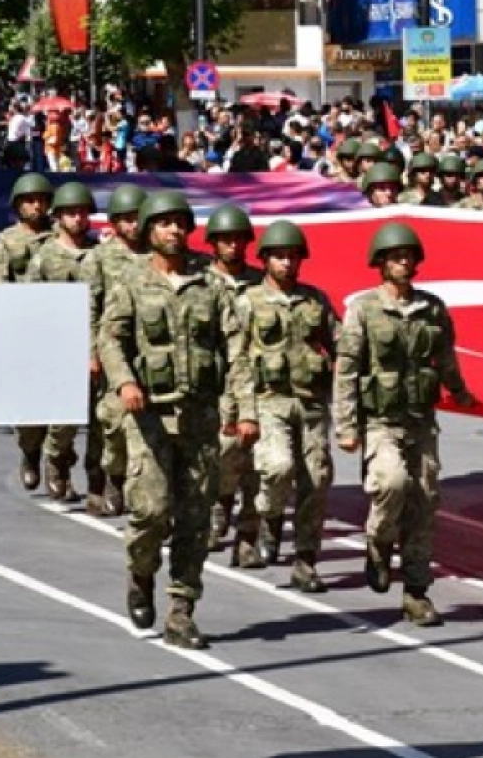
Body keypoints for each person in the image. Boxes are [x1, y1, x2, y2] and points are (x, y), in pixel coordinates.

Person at [98, 190, 236, 649]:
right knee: (151, 511)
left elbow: (234, 349)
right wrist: (124, 383)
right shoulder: (131, 281)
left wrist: (241, 409)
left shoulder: (210, 285)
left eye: (181, 222)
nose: (174, 229)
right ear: (149, 229)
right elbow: (111, 339)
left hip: (199, 418)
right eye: (164, 223)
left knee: (195, 519)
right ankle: (141, 575)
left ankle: (181, 610)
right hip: (150, 418)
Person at [335, 222, 478, 626]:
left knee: (424, 502)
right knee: (391, 484)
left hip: (420, 420)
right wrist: (346, 425)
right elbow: (347, 370)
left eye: (408, 255)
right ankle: (378, 544)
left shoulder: (432, 308)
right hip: (380, 420)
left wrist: (462, 392)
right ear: (380, 262)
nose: (403, 261)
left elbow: (446, 358)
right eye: (395, 256)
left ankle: (416, 592)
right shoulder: (363, 309)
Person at [231, 220, 342, 592]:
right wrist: (243, 410)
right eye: (279, 256)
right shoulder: (247, 302)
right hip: (269, 401)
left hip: (310, 403)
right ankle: (270, 518)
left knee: (317, 478)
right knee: (278, 467)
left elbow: (340, 343)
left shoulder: (315, 300)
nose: (286, 263)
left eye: (293, 256)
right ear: (265, 259)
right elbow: (239, 359)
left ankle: (306, 560)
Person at [27, 182, 102, 502]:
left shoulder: (100, 254)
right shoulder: (44, 256)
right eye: (71, 213)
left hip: (99, 341)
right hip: (59, 343)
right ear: (58, 216)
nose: (78, 219)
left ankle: (100, 478)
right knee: (64, 417)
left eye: (83, 213)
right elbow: (32, 301)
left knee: (102, 419)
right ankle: (56, 461)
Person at [199, 204, 265, 563]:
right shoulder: (203, 284)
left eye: (240, 239)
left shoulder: (260, 283)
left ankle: (248, 536)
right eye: (226, 239)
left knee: (257, 461)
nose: (233, 245)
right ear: (213, 243)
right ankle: (217, 505)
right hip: (219, 386)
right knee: (221, 453)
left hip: (260, 383)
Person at [79, 183, 148, 516]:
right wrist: (91, 352)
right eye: (127, 219)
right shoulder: (99, 258)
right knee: (112, 423)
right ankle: (111, 475)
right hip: (111, 351)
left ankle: (135, 486)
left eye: (139, 218)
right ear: (115, 222)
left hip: (149, 351)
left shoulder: (155, 256)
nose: (134, 225)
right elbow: (88, 307)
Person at [0, 172, 55, 491]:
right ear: (18, 206)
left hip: (60, 326)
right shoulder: (6, 241)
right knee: (28, 410)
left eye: (41, 200)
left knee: (65, 411)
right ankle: (30, 453)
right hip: (25, 330)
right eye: (29, 201)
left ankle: (59, 465)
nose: (36, 206)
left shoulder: (62, 238)